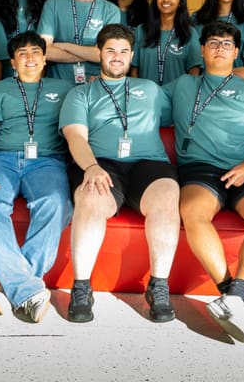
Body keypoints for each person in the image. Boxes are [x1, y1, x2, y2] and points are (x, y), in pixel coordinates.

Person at [169, 20, 244, 340]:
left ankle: (236, 296)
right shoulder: (183, 86)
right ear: (202, 49)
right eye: (213, 42)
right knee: (192, 212)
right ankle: (227, 290)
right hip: (201, 167)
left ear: (236, 52)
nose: (220, 48)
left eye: (227, 44)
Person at [60, 24, 177, 323]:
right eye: (110, 50)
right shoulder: (80, 94)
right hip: (100, 162)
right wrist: (92, 167)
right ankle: (82, 287)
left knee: (167, 197)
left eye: (124, 51)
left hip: (148, 163)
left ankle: (159, 285)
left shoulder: (151, 90)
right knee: (89, 196)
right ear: (98, 53)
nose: (117, 57)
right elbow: (76, 137)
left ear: (132, 55)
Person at [0, 32, 74, 322]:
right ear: (13, 62)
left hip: (46, 161)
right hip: (1, 158)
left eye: (36, 52)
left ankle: (15, 287)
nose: (30, 58)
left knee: (56, 204)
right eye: (22, 54)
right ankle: (27, 289)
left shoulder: (64, 89)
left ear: (45, 58)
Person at [38, 0, 121, 84]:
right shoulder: (52, 5)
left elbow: (105, 53)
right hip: (57, 86)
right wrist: (92, 53)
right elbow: (44, 51)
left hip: (96, 85)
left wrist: (63, 46)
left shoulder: (111, 10)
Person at [131, 0, 201, 85]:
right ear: (155, 0)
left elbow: (194, 70)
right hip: (146, 97)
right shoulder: (141, 30)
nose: (166, 0)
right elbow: (134, 68)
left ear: (180, 2)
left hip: (177, 96)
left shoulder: (189, 33)